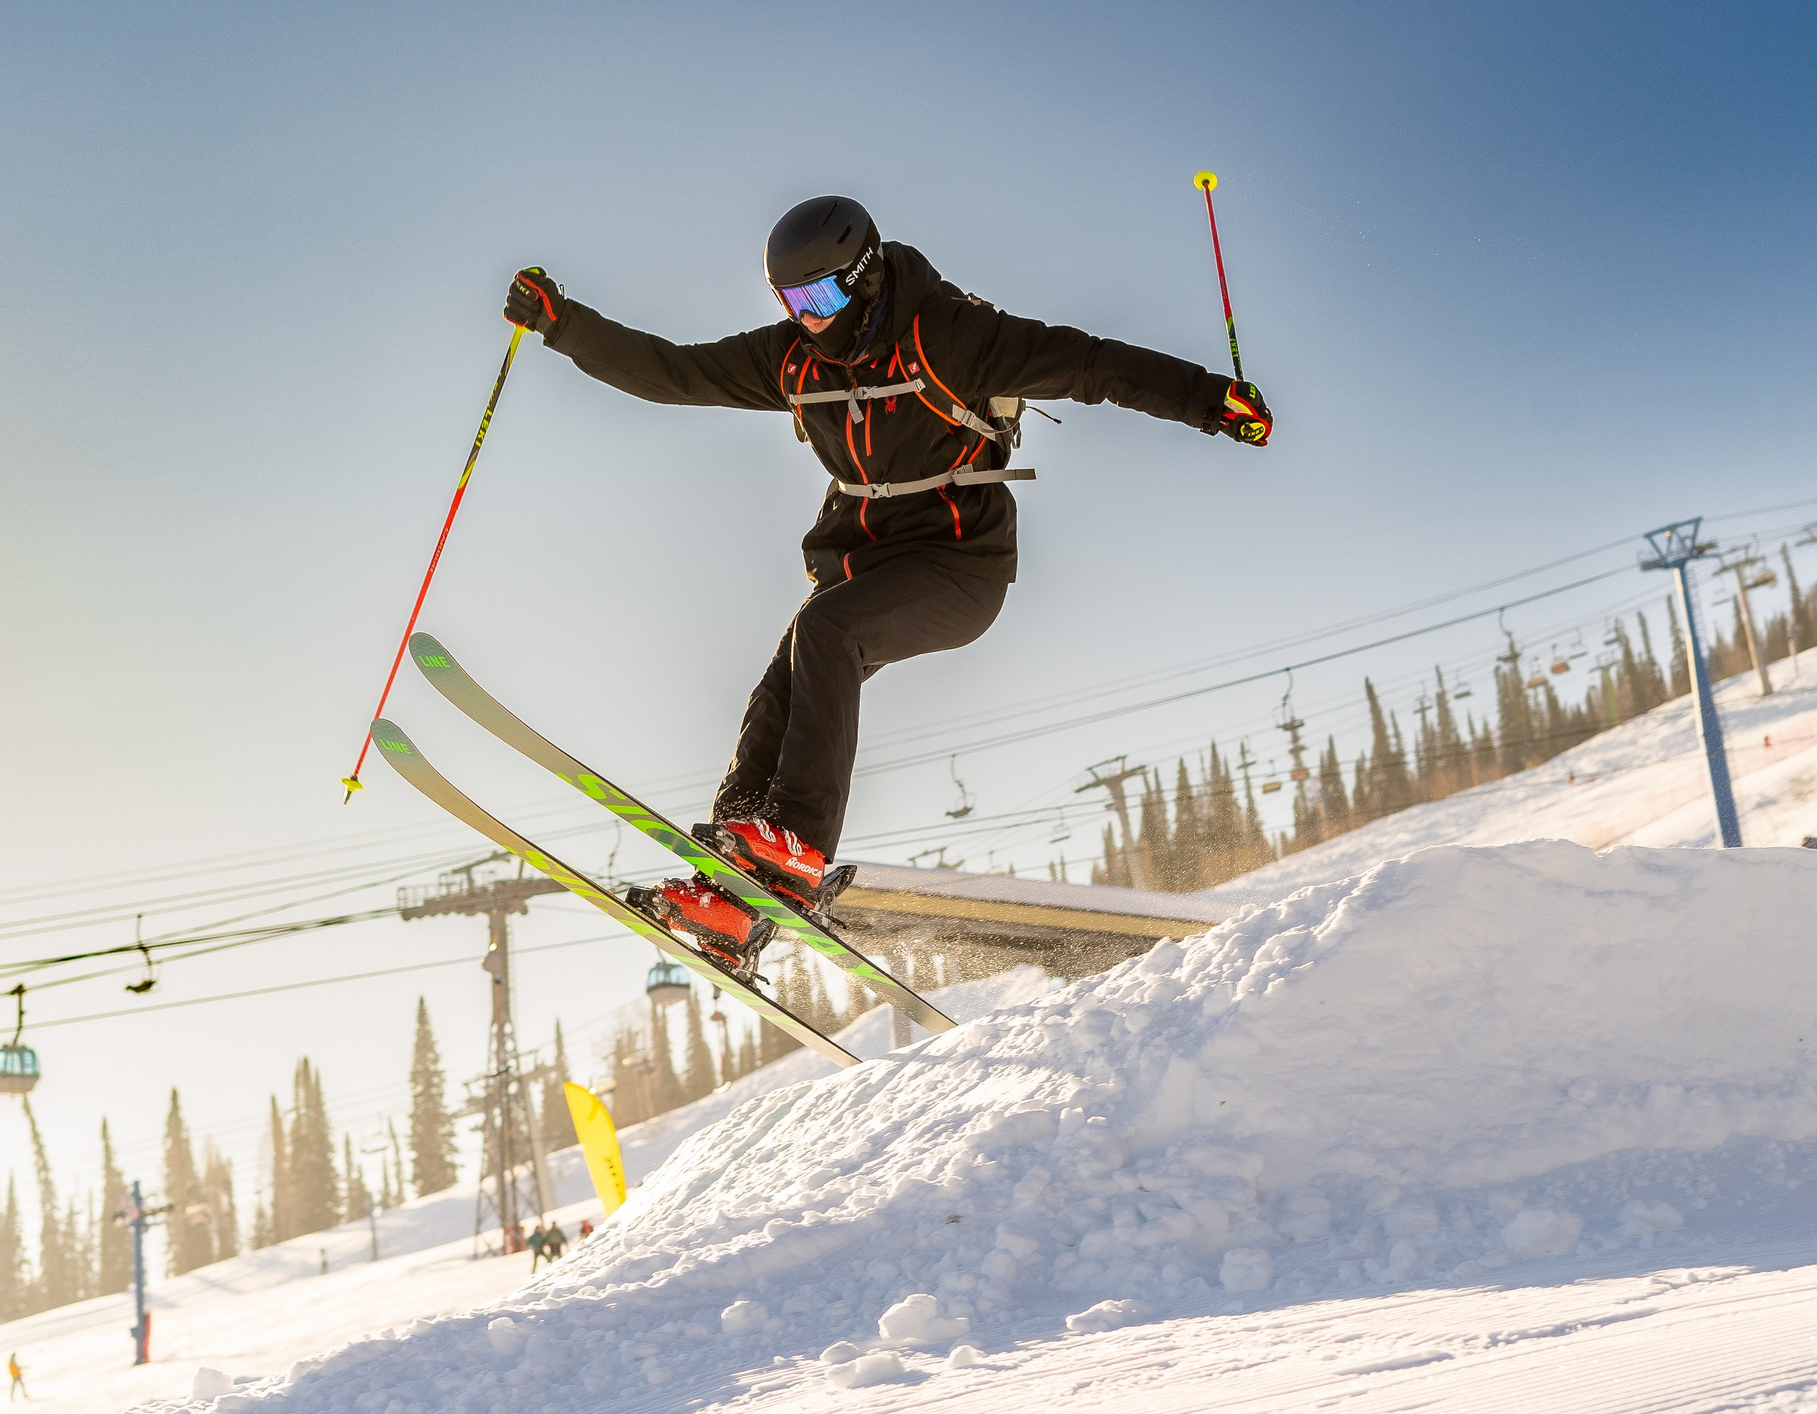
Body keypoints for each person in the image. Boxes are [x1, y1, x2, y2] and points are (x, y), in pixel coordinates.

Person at [502, 196, 1270, 974]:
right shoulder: (793, 359)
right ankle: (734, 878)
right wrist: (563, 324)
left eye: (818, 297)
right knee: (781, 681)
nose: (806, 318)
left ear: (864, 279)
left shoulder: (949, 336)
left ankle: (797, 846)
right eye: (789, 301)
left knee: (825, 633)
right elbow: (675, 371)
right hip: (865, 566)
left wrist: (1211, 401)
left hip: (958, 566)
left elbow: (1092, 364)